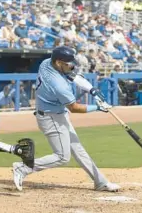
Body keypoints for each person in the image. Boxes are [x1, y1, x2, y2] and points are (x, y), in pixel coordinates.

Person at [12, 46, 121, 192]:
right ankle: (23, 168)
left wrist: (93, 91)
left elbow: (74, 75)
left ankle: (100, 182)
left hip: (56, 114)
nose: (71, 65)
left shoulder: (46, 63)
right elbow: (74, 107)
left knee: (78, 149)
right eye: (68, 62)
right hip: (51, 119)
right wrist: (98, 108)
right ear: (58, 62)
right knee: (62, 156)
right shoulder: (57, 84)